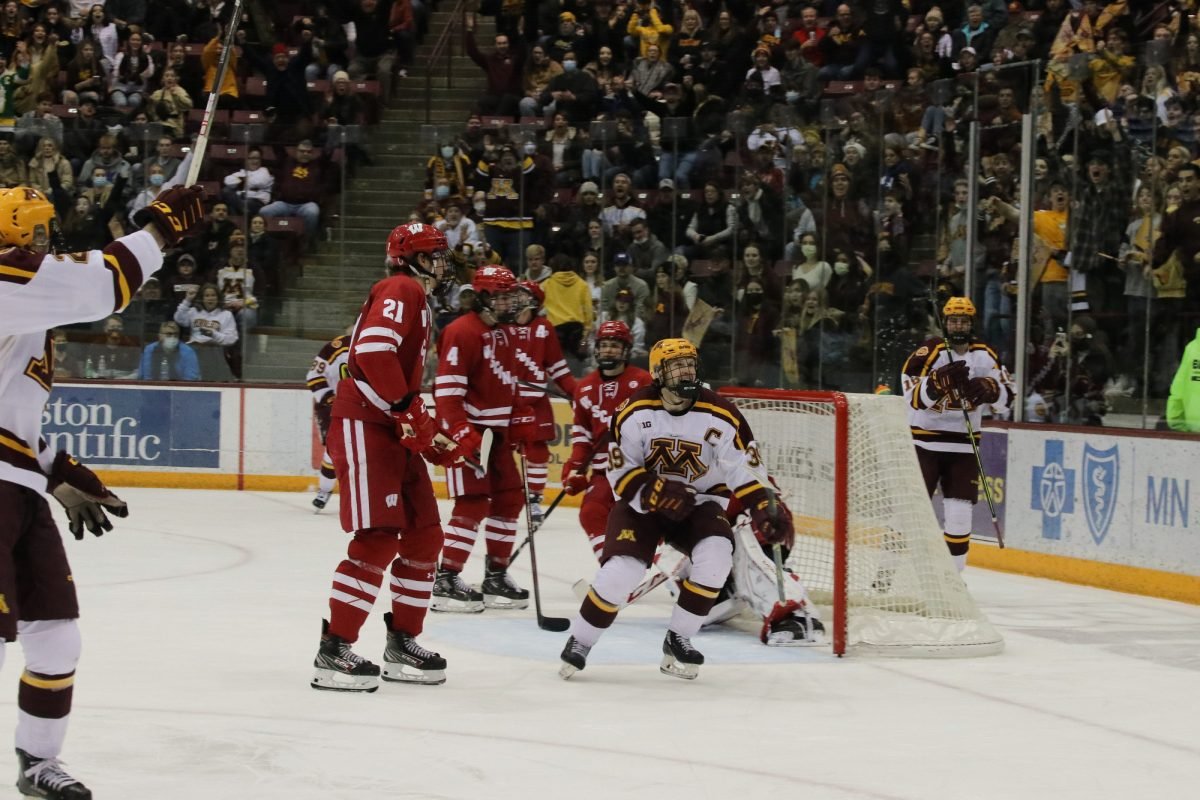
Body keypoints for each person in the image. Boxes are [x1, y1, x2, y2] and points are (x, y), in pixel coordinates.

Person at [0, 183, 204, 797]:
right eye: (36, 231)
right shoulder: (5, 278)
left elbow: (11, 415)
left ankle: (38, 762)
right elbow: (100, 284)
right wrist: (160, 231)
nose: (46, 241)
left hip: (17, 489)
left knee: (57, 635)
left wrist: (59, 471)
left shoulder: (22, 305)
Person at [559, 338, 791, 680]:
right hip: (642, 505)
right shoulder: (634, 410)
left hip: (700, 502)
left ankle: (679, 638)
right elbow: (619, 471)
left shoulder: (723, 414)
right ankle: (580, 641)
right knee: (621, 572)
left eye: (689, 363)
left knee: (716, 556)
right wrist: (653, 490)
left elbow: (745, 467)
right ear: (657, 373)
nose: (686, 370)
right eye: (676, 365)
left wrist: (764, 505)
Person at [310, 222, 457, 693]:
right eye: (434, 254)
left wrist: (422, 425)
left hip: (389, 424)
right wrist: (409, 408)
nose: (441, 263)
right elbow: (372, 353)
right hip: (366, 422)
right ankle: (333, 651)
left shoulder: (415, 293)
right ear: (411, 257)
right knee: (377, 538)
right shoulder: (401, 286)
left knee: (424, 534)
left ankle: (403, 641)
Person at [431, 265, 530, 613]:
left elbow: (508, 386)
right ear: (483, 298)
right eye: (501, 296)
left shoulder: (505, 334)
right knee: (473, 503)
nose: (509, 303)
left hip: (497, 434)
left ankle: (495, 575)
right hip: (470, 431)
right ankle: (446, 578)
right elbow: (446, 395)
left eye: (510, 296)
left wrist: (519, 427)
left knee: (509, 498)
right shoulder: (461, 332)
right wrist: (463, 436)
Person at [900, 297, 1014, 572]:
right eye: (953, 320)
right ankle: (887, 574)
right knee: (910, 511)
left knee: (961, 513)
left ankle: (954, 579)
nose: (958, 325)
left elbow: (1008, 399)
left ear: (972, 323)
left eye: (963, 320)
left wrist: (992, 389)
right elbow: (909, 395)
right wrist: (934, 386)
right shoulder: (930, 350)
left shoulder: (985, 355)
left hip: (964, 445)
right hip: (923, 442)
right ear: (945, 323)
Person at [560, 321, 653, 558]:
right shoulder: (584, 388)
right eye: (604, 345)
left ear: (625, 350)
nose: (608, 350)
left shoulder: (644, 382)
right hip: (604, 472)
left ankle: (666, 560)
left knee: (647, 517)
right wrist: (575, 469)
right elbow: (582, 436)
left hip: (640, 470)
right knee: (591, 512)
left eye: (614, 345)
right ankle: (611, 563)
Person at [509, 280, 578, 522]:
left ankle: (534, 501)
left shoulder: (543, 328)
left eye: (520, 295)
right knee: (500, 452)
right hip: (505, 402)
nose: (515, 299)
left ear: (533, 301)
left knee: (537, 452)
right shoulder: (500, 324)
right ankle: (503, 497)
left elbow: (558, 366)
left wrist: (575, 392)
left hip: (534, 401)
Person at [305, 330, 351, 511]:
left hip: (366, 408)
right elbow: (314, 376)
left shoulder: (383, 347)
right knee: (334, 450)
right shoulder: (336, 347)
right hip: (333, 407)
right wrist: (331, 401)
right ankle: (324, 490)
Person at [1167, 327, 1200, 432]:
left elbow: (1178, 389)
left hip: (1193, 430)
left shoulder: (1192, 347)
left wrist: (1177, 423)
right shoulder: (1192, 348)